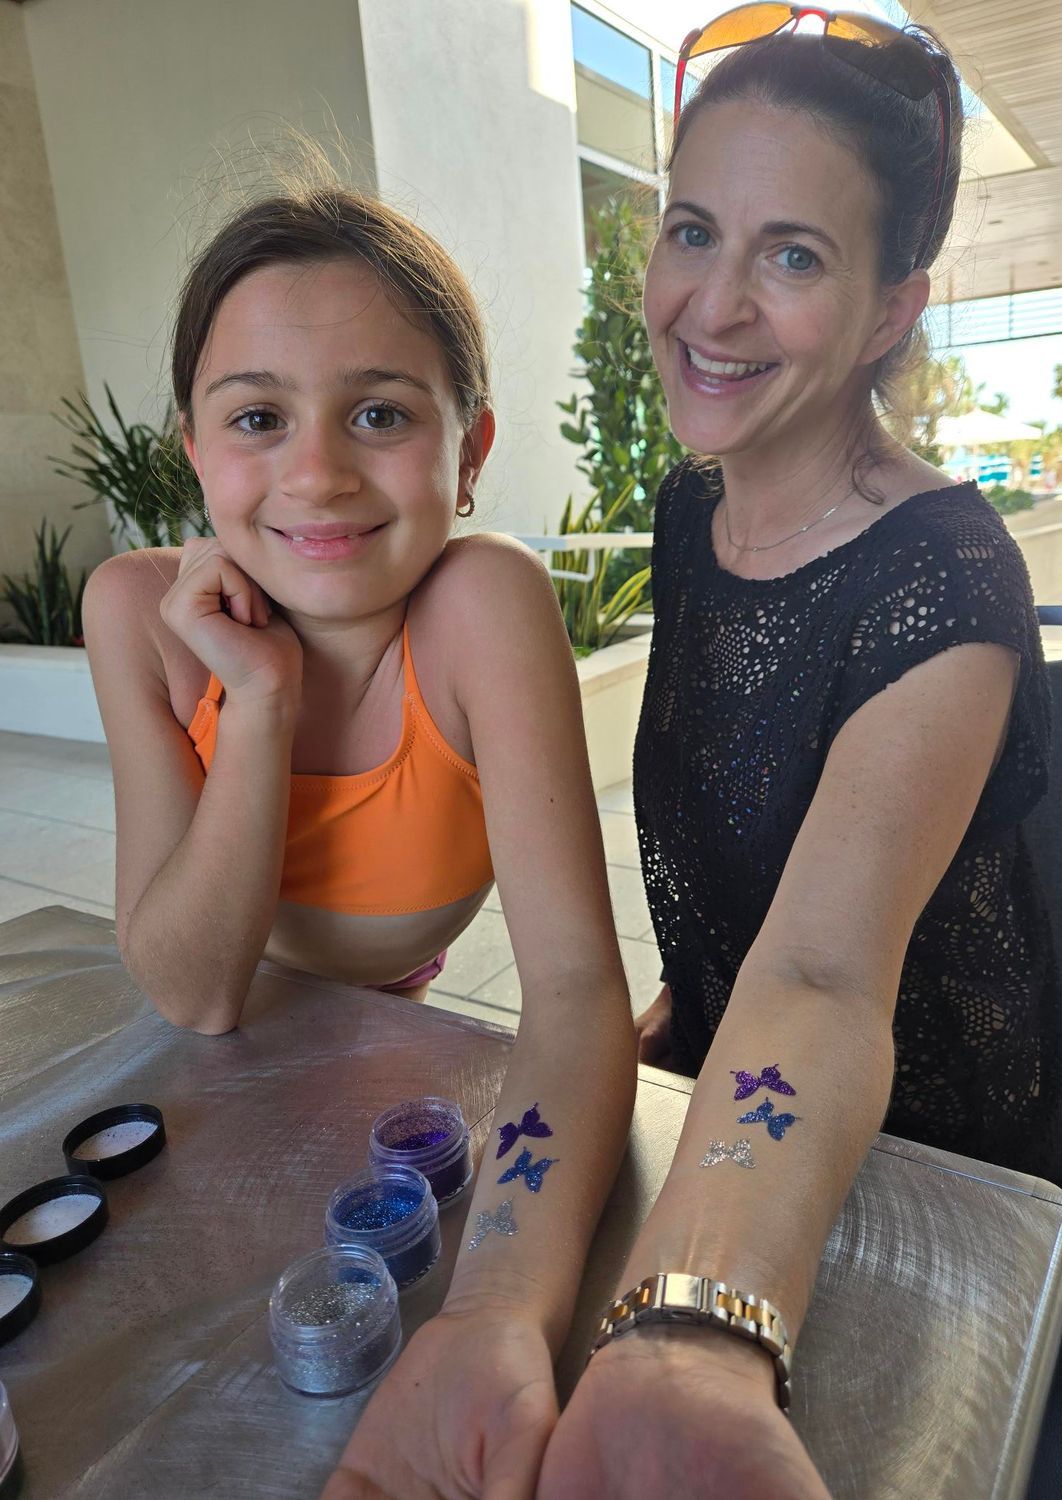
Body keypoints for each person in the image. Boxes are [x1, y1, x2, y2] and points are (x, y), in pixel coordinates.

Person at [537, 14, 1056, 1499]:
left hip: (922, 1154)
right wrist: (674, 1015)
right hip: (718, 1072)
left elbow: (825, 971)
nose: (712, 304)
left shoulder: (942, 577)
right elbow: (739, 855)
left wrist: (694, 1337)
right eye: (692, 230)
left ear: (892, 308)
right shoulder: (687, 513)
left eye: (794, 256)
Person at [82, 186, 636, 1497]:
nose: (318, 473)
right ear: (194, 451)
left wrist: (497, 1312)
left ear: (469, 447)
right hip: (229, 1068)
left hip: (394, 1044)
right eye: (257, 418)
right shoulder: (139, 616)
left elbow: (571, 990)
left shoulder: (481, 607)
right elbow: (194, 991)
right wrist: (259, 701)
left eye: (380, 414)